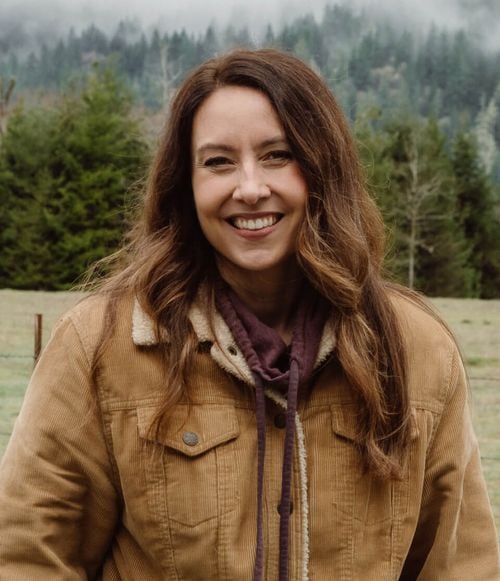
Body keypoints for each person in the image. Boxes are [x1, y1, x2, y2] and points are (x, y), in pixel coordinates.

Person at [0, 49, 498, 581]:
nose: (250, 187)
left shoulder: (417, 352)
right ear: (185, 186)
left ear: (323, 169)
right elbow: (29, 559)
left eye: (278, 155)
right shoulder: (101, 346)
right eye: (218, 162)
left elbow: (460, 565)